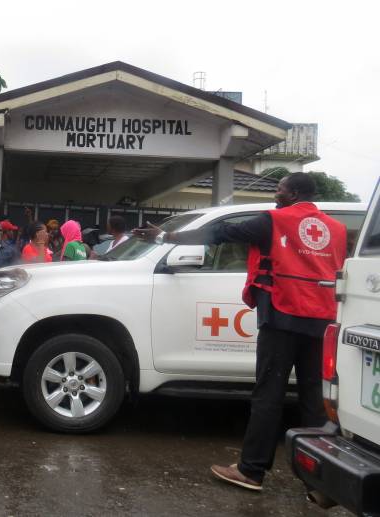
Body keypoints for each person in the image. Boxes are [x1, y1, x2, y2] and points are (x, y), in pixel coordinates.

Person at [133, 172, 348, 491]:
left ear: (293, 194)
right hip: (322, 319)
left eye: (279, 189)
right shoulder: (337, 229)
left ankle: (252, 471)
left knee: (269, 395)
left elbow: (220, 233)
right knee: (314, 400)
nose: (276, 194)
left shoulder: (273, 221)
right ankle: (320, 483)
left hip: (282, 316)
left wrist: (165, 237)